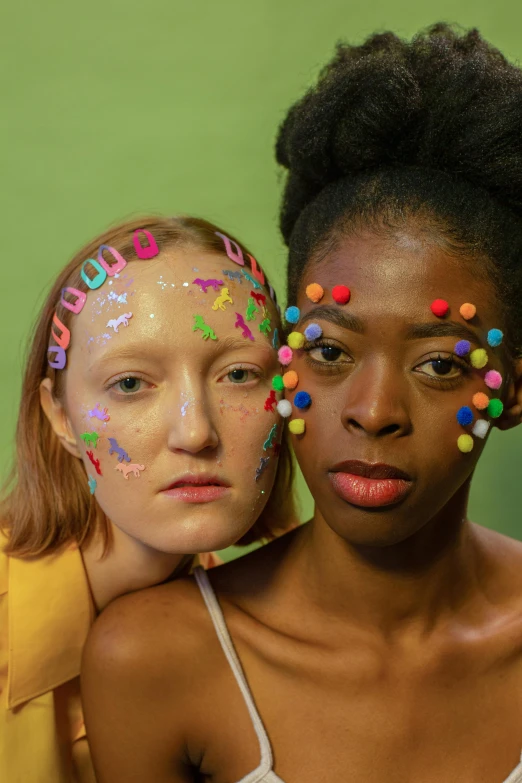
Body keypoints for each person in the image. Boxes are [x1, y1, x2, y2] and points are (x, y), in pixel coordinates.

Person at [83, 24, 522, 783]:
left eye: (441, 362)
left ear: (512, 388)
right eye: (328, 351)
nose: (374, 410)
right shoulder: (157, 657)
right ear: (283, 359)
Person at [0, 214, 295, 783]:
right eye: (131, 384)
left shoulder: (243, 637)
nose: (195, 433)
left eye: (238, 374)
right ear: (59, 414)